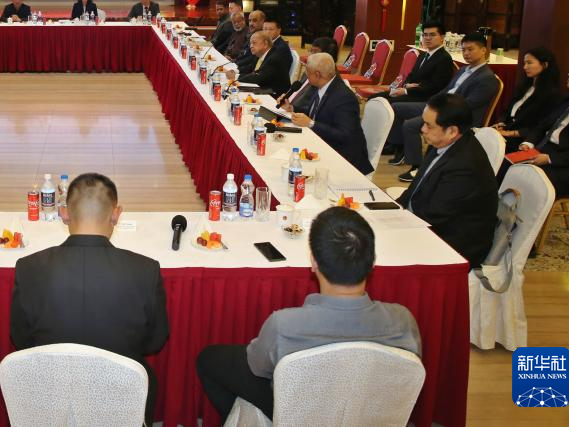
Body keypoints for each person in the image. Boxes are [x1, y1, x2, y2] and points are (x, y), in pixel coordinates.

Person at [196, 207, 420, 421]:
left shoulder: (284, 325)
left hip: (301, 408)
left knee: (210, 359)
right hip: (368, 408)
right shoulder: (403, 322)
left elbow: (256, 366)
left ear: (313, 261)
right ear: (373, 262)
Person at [10, 173, 168, 427]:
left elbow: (21, 339)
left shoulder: (29, 267)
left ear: (64, 213)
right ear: (116, 214)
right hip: (120, 391)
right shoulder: (145, 270)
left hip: (50, 391)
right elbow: (154, 342)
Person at [396, 93, 500, 267]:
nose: (423, 129)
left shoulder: (465, 167)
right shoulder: (441, 142)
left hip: (454, 245)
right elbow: (415, 189)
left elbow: (434, 216)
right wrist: (393, 210)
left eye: (429, 125)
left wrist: (396, 224)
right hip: (430, 224)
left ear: (452, 131)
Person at [391, 31, 499, 181]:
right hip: (441, 107)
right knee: (396, 107)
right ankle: (400, 147)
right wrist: (432, 103)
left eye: (470, 49)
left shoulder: (487, 78)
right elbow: (447, 90)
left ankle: (418, 167)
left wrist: (438, 110)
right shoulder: (463, 69)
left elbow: (468, 105)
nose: (466, 53)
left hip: (456, 118)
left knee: (411, 125)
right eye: (464, 50)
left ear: (483, 50)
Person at [516, 53, 569, 197]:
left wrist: (550, 158)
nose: (568, 74)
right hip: (543, 149)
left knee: (530, 180)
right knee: (506, 164)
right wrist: (529, 142)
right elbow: (543, 125)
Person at [284, 53, 373, 175]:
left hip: (344, 158)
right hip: (322, 143)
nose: (306, 75)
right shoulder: (322, 85)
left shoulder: (344, 97)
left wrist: (310, 123)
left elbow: (345, 134)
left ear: (317, 74)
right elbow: (314, 112)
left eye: (308, 72)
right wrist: (292, 108)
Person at [492, 47, 560, 153]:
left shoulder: (551, 94)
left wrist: (511, 133)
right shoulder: (524, 86)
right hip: (506, 132)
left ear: (545, 65)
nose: (525, 67)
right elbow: (508, 110)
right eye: (524, 63)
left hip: (522, 140)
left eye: (529, 63)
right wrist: (500, 123)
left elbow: (540, 126)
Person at [376, 22, 454, 106]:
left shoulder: (444, 58)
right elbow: (412, 74)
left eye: (432, 35)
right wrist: (406, 85)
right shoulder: (423, 54)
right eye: (425, 35)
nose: (428, 38)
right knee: (376, 98)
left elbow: (435, 87)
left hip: (425, 98)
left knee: (387, 103)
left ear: (442, 37)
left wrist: (406, 91)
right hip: (412, 92)